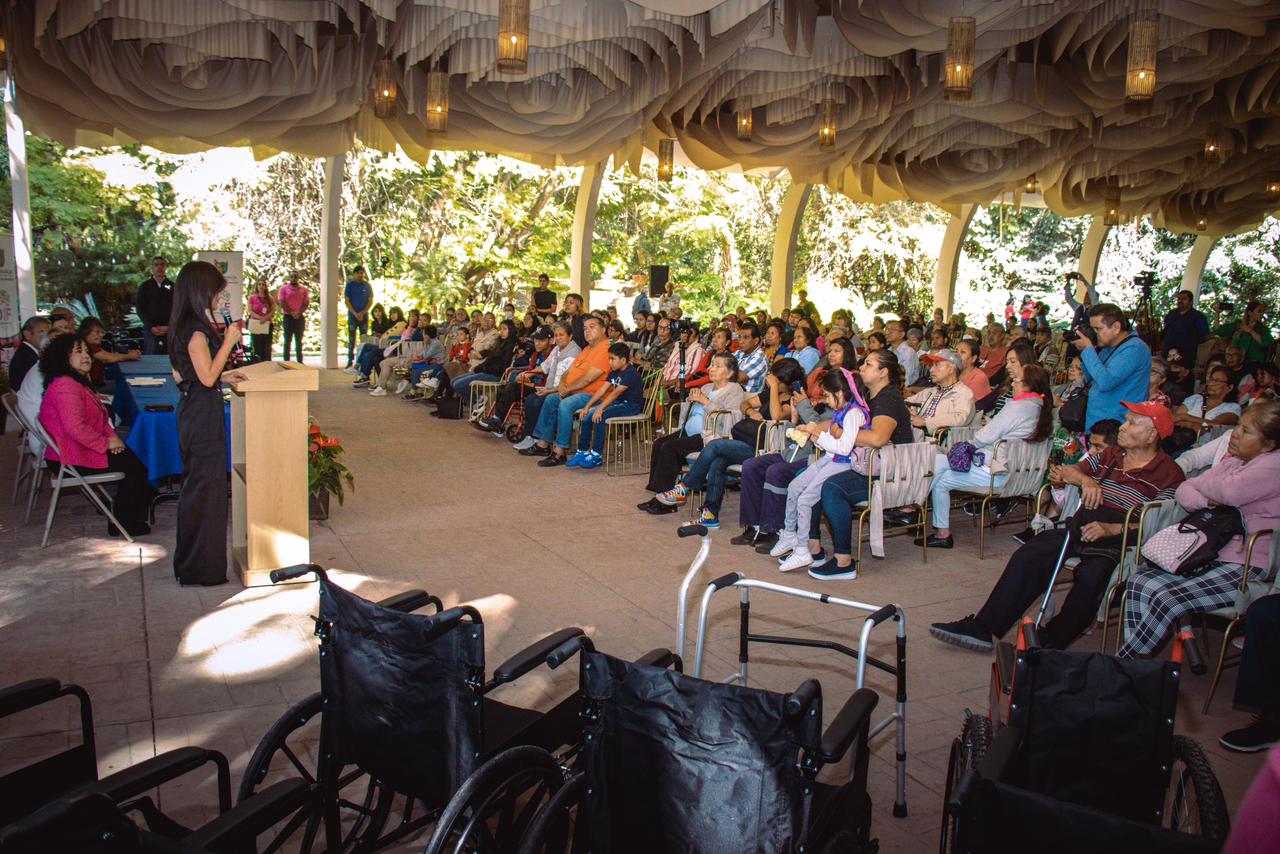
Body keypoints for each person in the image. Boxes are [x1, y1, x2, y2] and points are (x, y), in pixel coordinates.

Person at [930, 402, 1185, 651]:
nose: (1123, 427)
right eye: (1126, 420)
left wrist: (1112, 529)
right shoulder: (1112, 455)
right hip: (1082, 525)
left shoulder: (1169, 473)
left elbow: (1157, 524)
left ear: (1152, 435)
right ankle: (984, 628)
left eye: (1132, 423)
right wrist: (1087, 481)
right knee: (1030, 555)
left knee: (1090, 579)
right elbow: (1069, 471)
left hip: (1121, 538)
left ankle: (1050, 642)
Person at [1117, 400, 1280, 661]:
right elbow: (1185, 489)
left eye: (1246, 431)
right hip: (1209, 551)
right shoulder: (1234, 462)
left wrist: (1214, 489)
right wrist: (1208, 501)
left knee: (1168, 599)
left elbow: (1229, 492)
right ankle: (1134, 668)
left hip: (1246, 562)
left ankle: (1122, 664)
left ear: (1269, 444)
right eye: (1238, 426)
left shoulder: (1274, 464)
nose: (1235, 434)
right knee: (1140, 582)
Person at [802, 349, 916, 581]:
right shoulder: (869, 396)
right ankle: (812, 547)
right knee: (811, 478)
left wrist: (841, 434)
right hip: (866, 462)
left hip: (887, 470)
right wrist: (815, 429)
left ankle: (843, 561)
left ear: (883, 372)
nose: (861, 367)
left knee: (831, 487)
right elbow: (838, 421)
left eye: (869, 364)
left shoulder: (888, 399)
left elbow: (877, 438)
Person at [917, 364, 1053, 548]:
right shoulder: (1040, 408)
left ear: (1029, 384)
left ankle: (914, 511)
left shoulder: (1018, 406)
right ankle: (930, 524)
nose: (1013, 384)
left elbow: (985, 436)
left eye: (1016, 380)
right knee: (940, 474)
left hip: (997, 474)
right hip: (1020, 475)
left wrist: (967, 445)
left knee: (935, 463)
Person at [169, 261, 244, 586]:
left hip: (193, 410)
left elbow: (183, 375)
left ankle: (190, 564)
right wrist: (227, 343)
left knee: (197, 489)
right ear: (202, 291)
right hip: (202, 416)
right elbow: (206, 377)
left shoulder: (181, 325)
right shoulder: (197, 331)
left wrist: (225, 375)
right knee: (207, 491)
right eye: (217, 292)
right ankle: (203, 569)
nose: (220, 298)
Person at [37, 333, 154, 537]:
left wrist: (112, 438)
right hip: (71, 456)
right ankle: (123, 522)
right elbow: (76, 428)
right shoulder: (66, 386)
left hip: (81, 446)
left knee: (137, 455)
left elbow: (100, 417)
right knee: (137, 466)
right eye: (78, 352)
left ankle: (124, 516)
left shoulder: (76, 381)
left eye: (86, 351)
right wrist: (106, 443)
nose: (86, 356)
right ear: (63, 357)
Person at [770, 370, 871, 572]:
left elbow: (845, 448)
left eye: (827, 395)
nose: (826, 400)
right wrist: (815, 436)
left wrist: (820, 436)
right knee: (794, 487)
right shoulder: (842, 410)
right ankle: (789, 534)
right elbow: (832, 445)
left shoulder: (854, 413)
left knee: (806, 500)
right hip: (830, 458)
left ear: (839, 393)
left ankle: (802, 549)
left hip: (843, 463)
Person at [641, 353, 746, 491]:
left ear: (730, 373)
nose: (712, 369)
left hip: (709, 435)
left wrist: (705, 401)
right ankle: (654, 486)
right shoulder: (706, 387)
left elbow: (730, 419)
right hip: (689, 431)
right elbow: (690, 411)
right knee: (659, 443)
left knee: (670, 447)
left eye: (718, 366)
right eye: (712, 365)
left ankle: (664, 490)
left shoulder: (734, 389)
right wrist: (691, 399)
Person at [522, 316, 611, 466]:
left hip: (595, 395)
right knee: (552, 399)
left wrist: (567, 389)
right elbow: (568, 371)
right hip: (577, 390)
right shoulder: (587, 349)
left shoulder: (606, 348)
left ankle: (560, 451)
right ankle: (543, 444)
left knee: (565, 404)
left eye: (592, 327)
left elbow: (589, 378)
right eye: (585, 328)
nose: (587, 331)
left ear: (603, 329)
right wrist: (563, 385)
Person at [568, 343, 646, 469]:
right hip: (618, 403)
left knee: (600, 416)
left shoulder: (631, 373)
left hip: (631, 406)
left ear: (623, 360)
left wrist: (600, 409)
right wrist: (588, 406)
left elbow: (615, 393)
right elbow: (602, 390)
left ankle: (597, 455)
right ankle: (582, 451)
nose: (609, 362)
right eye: (609, 358)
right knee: (588, 415)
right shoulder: (614, 372)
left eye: (612, 359)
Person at [1072, 303, 1151, 427]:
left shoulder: (1134, 348)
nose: (1095, 334)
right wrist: (1085, 352)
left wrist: (1088, 350)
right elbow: (1092, 379)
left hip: (1117, 424)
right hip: (1098, 421)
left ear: (1116, 327)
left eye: (1098, 329)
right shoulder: (1109, 347)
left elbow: (1106, 381)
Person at [906, 349, 976, 440]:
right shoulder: (930, 391)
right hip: (918, 436)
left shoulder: (964, 393)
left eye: (937, 365)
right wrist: (910, 411)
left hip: (941, 440)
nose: (931, 369)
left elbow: (960, 418)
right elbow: (905, 403)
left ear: (951, 369)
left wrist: (926, 422)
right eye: (932, 365)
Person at [1172, 364, 1241, 432]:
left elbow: (1214, 424)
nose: (1211, 384)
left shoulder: (1232, 407)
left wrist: (1184, 417)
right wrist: (1195, 425)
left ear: (1229, 387)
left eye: (1217, 381)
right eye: (1211, 379)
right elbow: (1174, 419)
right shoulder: (1196, 399)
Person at [78, 317, 140, 390]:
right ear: (85, 332)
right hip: (95, 388)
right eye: (97, 332)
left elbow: (109, 355)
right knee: (128, 387)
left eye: (102, 332)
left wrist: (128, 355)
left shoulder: (93, 345)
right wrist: (129, 356)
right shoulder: (86, 346)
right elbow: (108, 358)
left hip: (100, 382)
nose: (101, 335)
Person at [136, 256, 174, 355]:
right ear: (152, 268)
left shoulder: (173, 286)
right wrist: (150, 326)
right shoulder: (145, 286)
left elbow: (177, 308)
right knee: (151, 355)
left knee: (171, 356)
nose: (159, 267)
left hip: (169, 329)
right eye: (156, 265)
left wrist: (170, 326)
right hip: (151, 330)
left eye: (162, 264)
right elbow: (140, 309)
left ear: (166, 267)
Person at [1218, 300, 1274, 365]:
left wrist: (1251, 331)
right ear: (1250, 313)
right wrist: (1217, 314)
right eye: (1259, 311)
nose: (1261, 314)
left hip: (1254, 363)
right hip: (1236, 361)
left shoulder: (1263, 329)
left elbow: (1267, 344)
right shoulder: (1238, 325)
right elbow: (1219, 330)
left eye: (1262, 312)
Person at [1161, 289, 1210, 358]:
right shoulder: (1172, 313)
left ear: (1191, 301)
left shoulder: (1198, 316)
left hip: (1185, 354)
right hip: (1167, 352)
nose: (1180, 301)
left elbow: (1205, 336)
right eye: (1179, 299)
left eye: (1184, 299)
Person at [8, 315, 50, 391]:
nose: (46, 337)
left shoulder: (28, 353)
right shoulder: (26, 357)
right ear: (27, 334)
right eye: (42, 332)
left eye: (48, 333)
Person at [343, 265, 374, 367]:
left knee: (363, 339)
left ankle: (361, 361)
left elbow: (370, 301)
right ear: (354, 274)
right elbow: (347, 301)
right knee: (351, 340)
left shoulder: (367, 286)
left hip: (364, 316)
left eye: (361, 273)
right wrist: (355, 313)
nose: (360, 275)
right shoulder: (350, 285)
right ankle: (350, 360)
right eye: (358, 273)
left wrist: (363, 312)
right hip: (353, 316)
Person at [277, 272, 309, 363]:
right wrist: (291, 313)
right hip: (288, 317)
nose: (294, 278)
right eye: (292, 277)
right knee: (287, 341)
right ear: (289, 278)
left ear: (298, 278)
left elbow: (306, 303)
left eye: (295, 277)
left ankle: (300, 362)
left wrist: (299, 312)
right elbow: (282, 302)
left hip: (299, 317)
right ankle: (286, 362)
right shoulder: (283, 289)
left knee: (299, 341)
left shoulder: (303, 290)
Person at [245, 279, 276, 362]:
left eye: (263, 284)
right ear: (257, 286)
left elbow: (273, 310)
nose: (261, 286)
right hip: (256, 323)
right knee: (256, 345)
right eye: (259, 284)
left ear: (265, 287)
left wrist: (265, 318)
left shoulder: (270, 298)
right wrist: (259, 318)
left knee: (266, 346)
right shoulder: (252, 298)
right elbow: (250, 310)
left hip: (267, 324)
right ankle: (257, 363)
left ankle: (267, 363)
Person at [885, 320, 921, 386]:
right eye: (887, 329)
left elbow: (906, 380)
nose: (888, 333)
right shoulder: (888, 350)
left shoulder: (908, 352)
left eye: (892, 330)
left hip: (905, 389)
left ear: (902, 334)